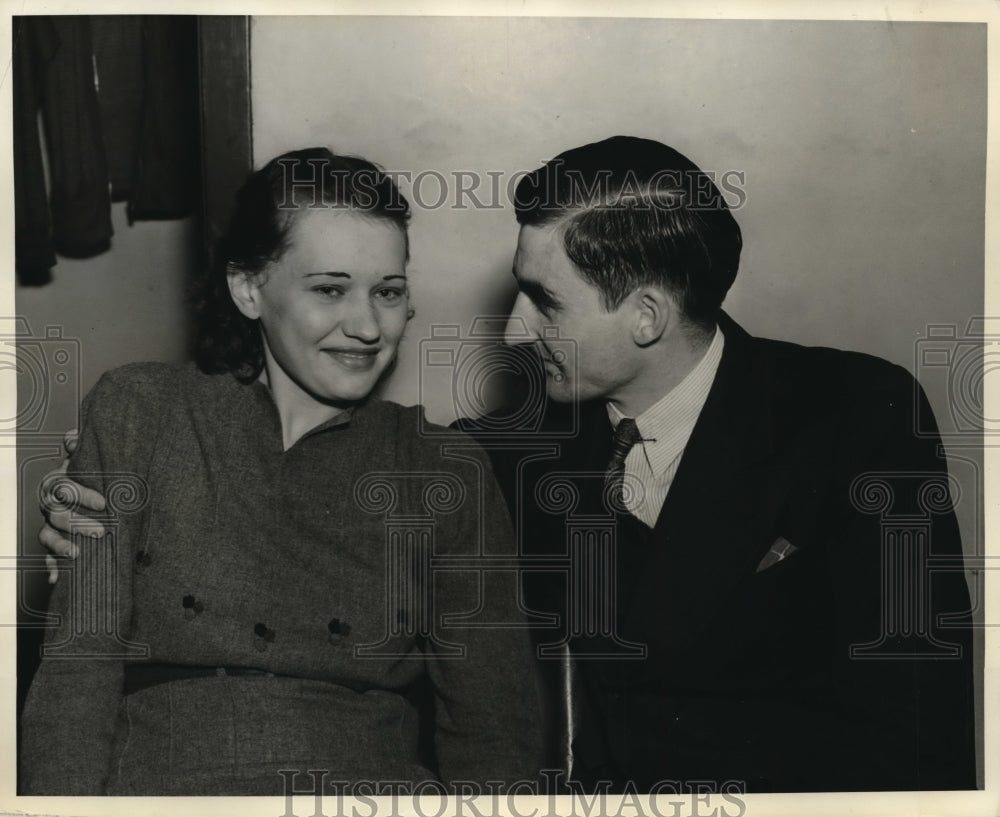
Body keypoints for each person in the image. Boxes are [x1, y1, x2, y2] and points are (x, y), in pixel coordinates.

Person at [37, 136, 977, 792]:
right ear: (251, 287)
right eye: (331, 287)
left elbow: (920, 732)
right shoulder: (512, 451)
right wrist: (94, 501)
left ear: (644, 316)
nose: (513, 332)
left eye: (543, 301)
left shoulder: (854, 418)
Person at [20, 147, 541, 795]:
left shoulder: (444, 469)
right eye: (329, 288)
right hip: (164, 788)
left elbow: (495, 730)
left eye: (388, 291)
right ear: (248, 288)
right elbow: (79, 671)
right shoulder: (139, 412)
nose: (366, 325)